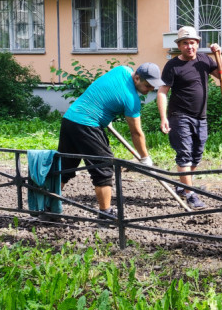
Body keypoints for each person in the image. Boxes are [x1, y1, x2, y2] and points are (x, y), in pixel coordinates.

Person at [58, 62, 163, 219]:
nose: (151, 90)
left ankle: (48, 205)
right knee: (103, 168)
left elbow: (104, 88)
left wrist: (104, 108)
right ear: (137, 78)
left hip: (70, 118)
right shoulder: (131, 100)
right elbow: (136, 133)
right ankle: (105, 213)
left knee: (65, 167)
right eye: (148, 85)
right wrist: (145, 157)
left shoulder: (122, 69)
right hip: (88, 124)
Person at [157, 26, 222, 210]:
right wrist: (163, 118)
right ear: (179, 46)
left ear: (198, 44)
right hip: (179, 116)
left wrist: (219, 55)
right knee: (185, 154)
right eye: (185, 43)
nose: (189, 46)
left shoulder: (204, 60)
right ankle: (190, 194)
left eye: (193, 42)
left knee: (197, 155)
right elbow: (162, 92)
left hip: (200, 117)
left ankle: (183, 186)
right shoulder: (173, 65)